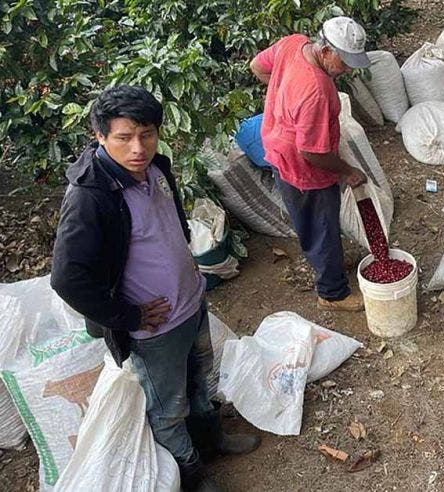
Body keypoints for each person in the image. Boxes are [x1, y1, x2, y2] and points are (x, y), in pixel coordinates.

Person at [51, 86, 259, 492]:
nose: (138, 148)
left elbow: (172, 223)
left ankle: (212, 439)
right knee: (168, 409)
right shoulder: (90, 199)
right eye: (124, 137)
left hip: (191, 302)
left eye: (146, 134)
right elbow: (67, 278)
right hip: (155, 329)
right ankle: (193, 474)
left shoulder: (157, 168)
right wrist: (127, 317)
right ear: (100, 136)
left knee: (200, 381)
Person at [250, 17, 372, 312]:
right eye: (345, 62)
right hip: (303, 166)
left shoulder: (294, 43)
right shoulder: (315, 89)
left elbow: (257, 65)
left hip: (278, 148)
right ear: (327, 50)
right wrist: (347, 171)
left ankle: (326, 261)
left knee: (312, 222)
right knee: (322, 224)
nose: (348, 70)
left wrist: (282, 93)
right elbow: (312, 153)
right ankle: (332, 294)